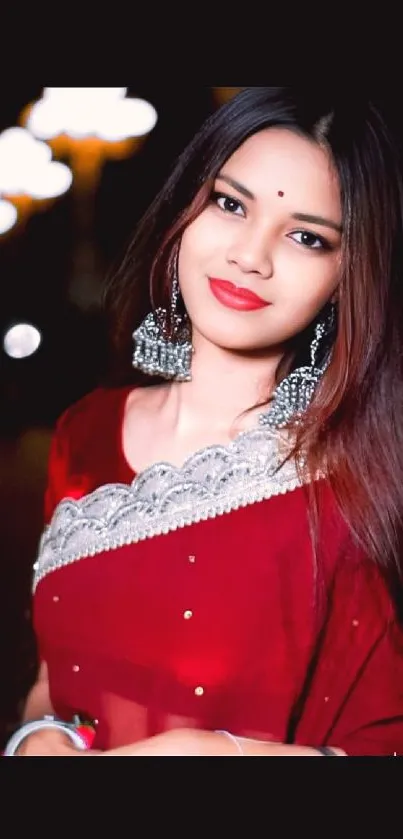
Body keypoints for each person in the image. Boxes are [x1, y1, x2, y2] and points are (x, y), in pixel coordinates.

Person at [5, 85, 403, 757]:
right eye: (229, 203)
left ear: (345, 276)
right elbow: (57, 674)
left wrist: (225, 758)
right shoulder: (86, 429)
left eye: (307, 236)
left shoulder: (354, 478)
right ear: (183, 213)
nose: (250, 254)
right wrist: (37, 731)